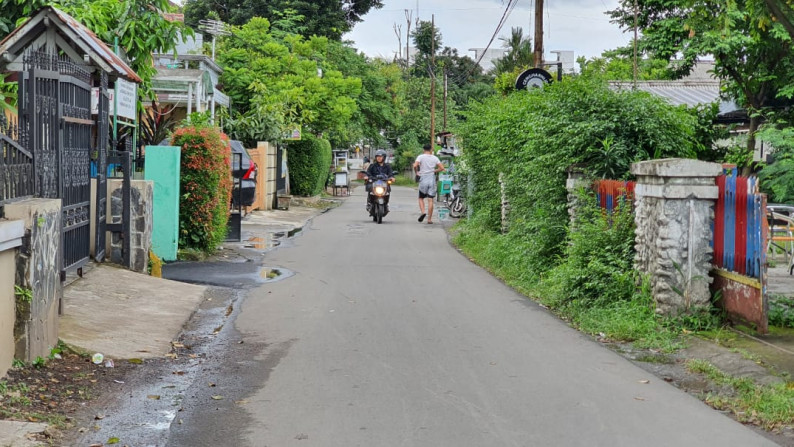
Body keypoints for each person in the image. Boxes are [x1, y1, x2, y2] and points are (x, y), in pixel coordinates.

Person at [413, 144, 445, 224]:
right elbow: (442, 168)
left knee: (421, 198)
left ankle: (423, 212)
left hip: (423, 178)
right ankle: (429, 219)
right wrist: (434, 171)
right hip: (431, 179)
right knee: (430, 200)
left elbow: (415, 165)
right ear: (431, 150)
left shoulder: (420, 157)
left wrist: (416, 172)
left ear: (423, 149)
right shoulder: (435, 158)